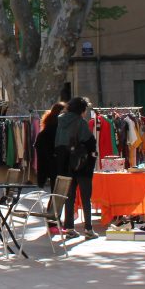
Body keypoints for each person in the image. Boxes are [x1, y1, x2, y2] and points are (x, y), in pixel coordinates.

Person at [54, 96, 98, 235]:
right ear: (81, 109)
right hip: (82, 164)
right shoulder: (80, 122)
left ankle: (69, 227)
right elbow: (90, 142)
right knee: (85, 197)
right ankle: (88, 228)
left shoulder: (59, 121)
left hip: (65, 164)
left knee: (69, 196)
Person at [34, 102, 66, 192]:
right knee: (58, 190)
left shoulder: (49, 126)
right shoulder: (56, 127)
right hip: (56, 162)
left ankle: (53, 201)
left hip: (51, 163)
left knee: (55, 189)